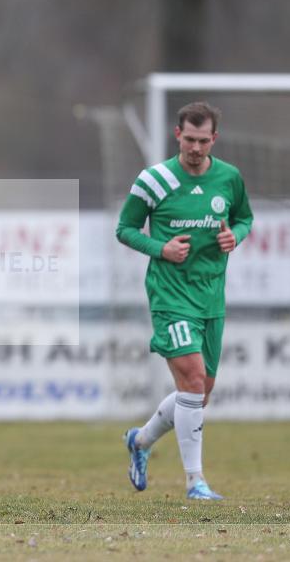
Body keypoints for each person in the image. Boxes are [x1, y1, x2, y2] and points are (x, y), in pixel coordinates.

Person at [116, 102, 253, 500]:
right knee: (192, 379)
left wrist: (236, 237)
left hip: (211, 296)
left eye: (203, 140)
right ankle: (196, 482)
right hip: (170, 295)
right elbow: (125, 229)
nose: (195, 147)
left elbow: (245, 218)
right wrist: (161, 249)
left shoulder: (229, 178)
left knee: (200, 393)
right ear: (177, 136)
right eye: (189, 139)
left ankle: (140, 441)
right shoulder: (154, 180)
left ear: (214, 139)